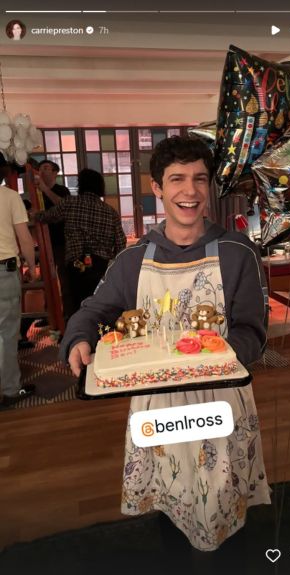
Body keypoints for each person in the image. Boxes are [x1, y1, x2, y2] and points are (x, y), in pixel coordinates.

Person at [59, 137, 270, 562]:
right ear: (157, 187)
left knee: (224, 500)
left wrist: (216, 356)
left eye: (198, 179)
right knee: (170, 496)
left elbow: (253, 331)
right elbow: (93, 309)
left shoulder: (238, 253)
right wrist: (78, 337)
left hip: (220, 401)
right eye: (176, 179)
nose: (188, 191)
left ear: (209, 186)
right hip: (159, 405)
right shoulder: (133, 258)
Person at [36, 168, 127, 316]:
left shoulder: (71, 203)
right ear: (100, 187)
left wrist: (34, 214)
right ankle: (100, 334)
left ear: (81, 185)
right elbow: (120, 243)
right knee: (99, 302)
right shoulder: (110, 211)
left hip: (76, 263)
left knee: (75, 303)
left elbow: (47, 217)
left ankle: (75, 334)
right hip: (101, 264)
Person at [0, 154, 36, 407]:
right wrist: (32, 267)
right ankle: (11, 390)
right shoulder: (10, 197)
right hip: (4, 270)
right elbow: (24, 238)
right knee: (7, 332)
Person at [35, 159, 71, 323]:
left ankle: (66, 315)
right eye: (41, 168)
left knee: (64, 280)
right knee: (46, 281)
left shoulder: (62, 190)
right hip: (42, 242)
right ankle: (49, 315)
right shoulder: (35, 193)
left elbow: (63, 207)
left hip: (62, 243)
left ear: (55, 173)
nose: (42, 170)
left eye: (47, 167)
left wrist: (45, 189)